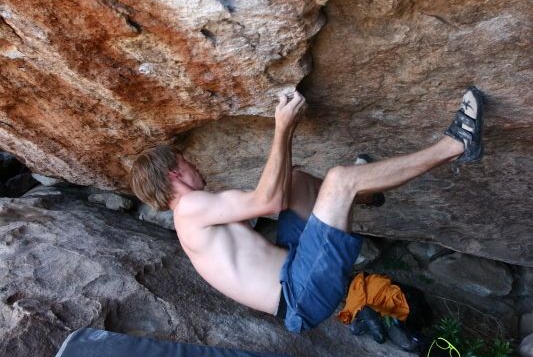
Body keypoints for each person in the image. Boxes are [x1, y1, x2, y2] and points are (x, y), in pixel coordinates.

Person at [129, 87, 484, 333]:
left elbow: (277, 198)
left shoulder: (193, 214)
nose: (194, 164)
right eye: (185, 161)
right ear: (174, 173)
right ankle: (455, 144)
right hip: (301, 294)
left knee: (296, 181)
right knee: (339, 180)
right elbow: (266, 201)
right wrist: (282, 127)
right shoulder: (190, 207)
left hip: (295, 264)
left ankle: (364, 194)